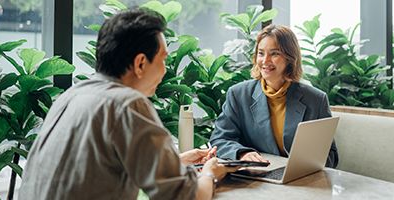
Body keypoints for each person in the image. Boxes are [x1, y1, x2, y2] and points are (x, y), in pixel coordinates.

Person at [19, 8, 236, 200]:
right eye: (163, 60)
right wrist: (209, 173)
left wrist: (176, 162)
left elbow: (91, 172)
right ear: (140, 63)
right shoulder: (127, 104)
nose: (164, 71)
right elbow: (187, 196)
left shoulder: (72, 96)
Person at [209, 25, 338, 168]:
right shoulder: (238, 95)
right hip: (256, 177)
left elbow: (331, 155)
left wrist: (306, 166)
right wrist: (242, 154)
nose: (265, 61)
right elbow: (220, 138)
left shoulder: (316, 100)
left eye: (274, 53)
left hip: (301, 179)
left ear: (290, 58)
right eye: (261, 53)